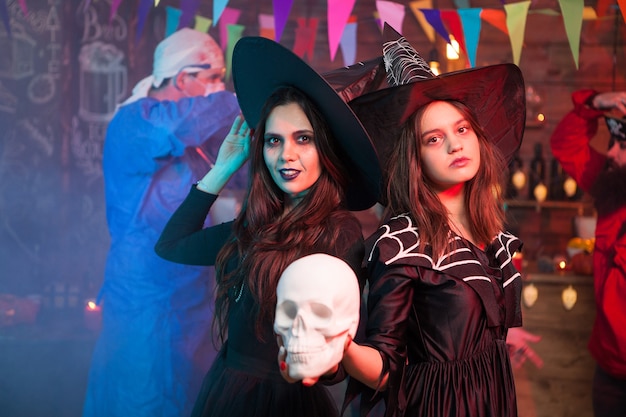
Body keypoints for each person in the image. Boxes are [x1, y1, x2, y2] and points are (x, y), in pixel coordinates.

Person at [154, 36, 382, 417]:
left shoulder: (338, 232)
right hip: (226, 389)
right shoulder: (256, 223)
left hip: (282, 401)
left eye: (303, 139)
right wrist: (223, 168)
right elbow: (173, 244)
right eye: (274, 140)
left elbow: (337, 348)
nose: (285, 154)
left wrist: (319, 363)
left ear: (326, 150)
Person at [338, 24, 529, 416]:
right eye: (434, 138)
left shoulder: (493, 232)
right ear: (416, 158)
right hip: (438, 405)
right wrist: (340, 348)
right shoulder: (400, 243)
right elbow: (384, 366)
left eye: (461, 129)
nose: (455, 143)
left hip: (495, 397)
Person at [83, 28, 245, 417]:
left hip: (192, 292)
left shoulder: (198, 140)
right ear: (182, 77)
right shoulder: (134, 121)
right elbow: (183, 122)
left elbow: (232, 177)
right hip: (145, 292)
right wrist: (249, 97)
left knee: (192, 396)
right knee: (142, 397)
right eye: (212, 77)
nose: (218, 87)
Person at [550, 89, 626, 417]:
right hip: (609, 372)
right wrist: (595, 104)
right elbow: (566, 145)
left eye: (622, 146)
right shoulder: (613, 187)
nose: (610, 153)